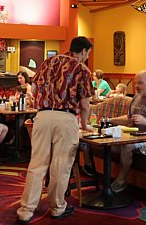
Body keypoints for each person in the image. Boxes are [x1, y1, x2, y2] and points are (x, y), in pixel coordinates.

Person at [16, 37, 94, 224]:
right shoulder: (82, 69)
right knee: (61, 165)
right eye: (88, 54)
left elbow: (34, 88)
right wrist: (84, 124)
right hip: (65, 118)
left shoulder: (47, 62)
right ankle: (58, 207)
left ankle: (26, 210)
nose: (87, 57)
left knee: (37, 164)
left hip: (42, 117)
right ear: (83, 51)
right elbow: (85, 104)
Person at [109, 70, 146, 193]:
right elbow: (129, 119)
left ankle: (121, 181)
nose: (136, 86)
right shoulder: (136, 97)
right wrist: (110, 120)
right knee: (112, 143)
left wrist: (145, 121)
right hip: (137, 135)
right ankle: (143, 150)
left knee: (127, 146)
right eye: (135, 83)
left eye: (140, 83)